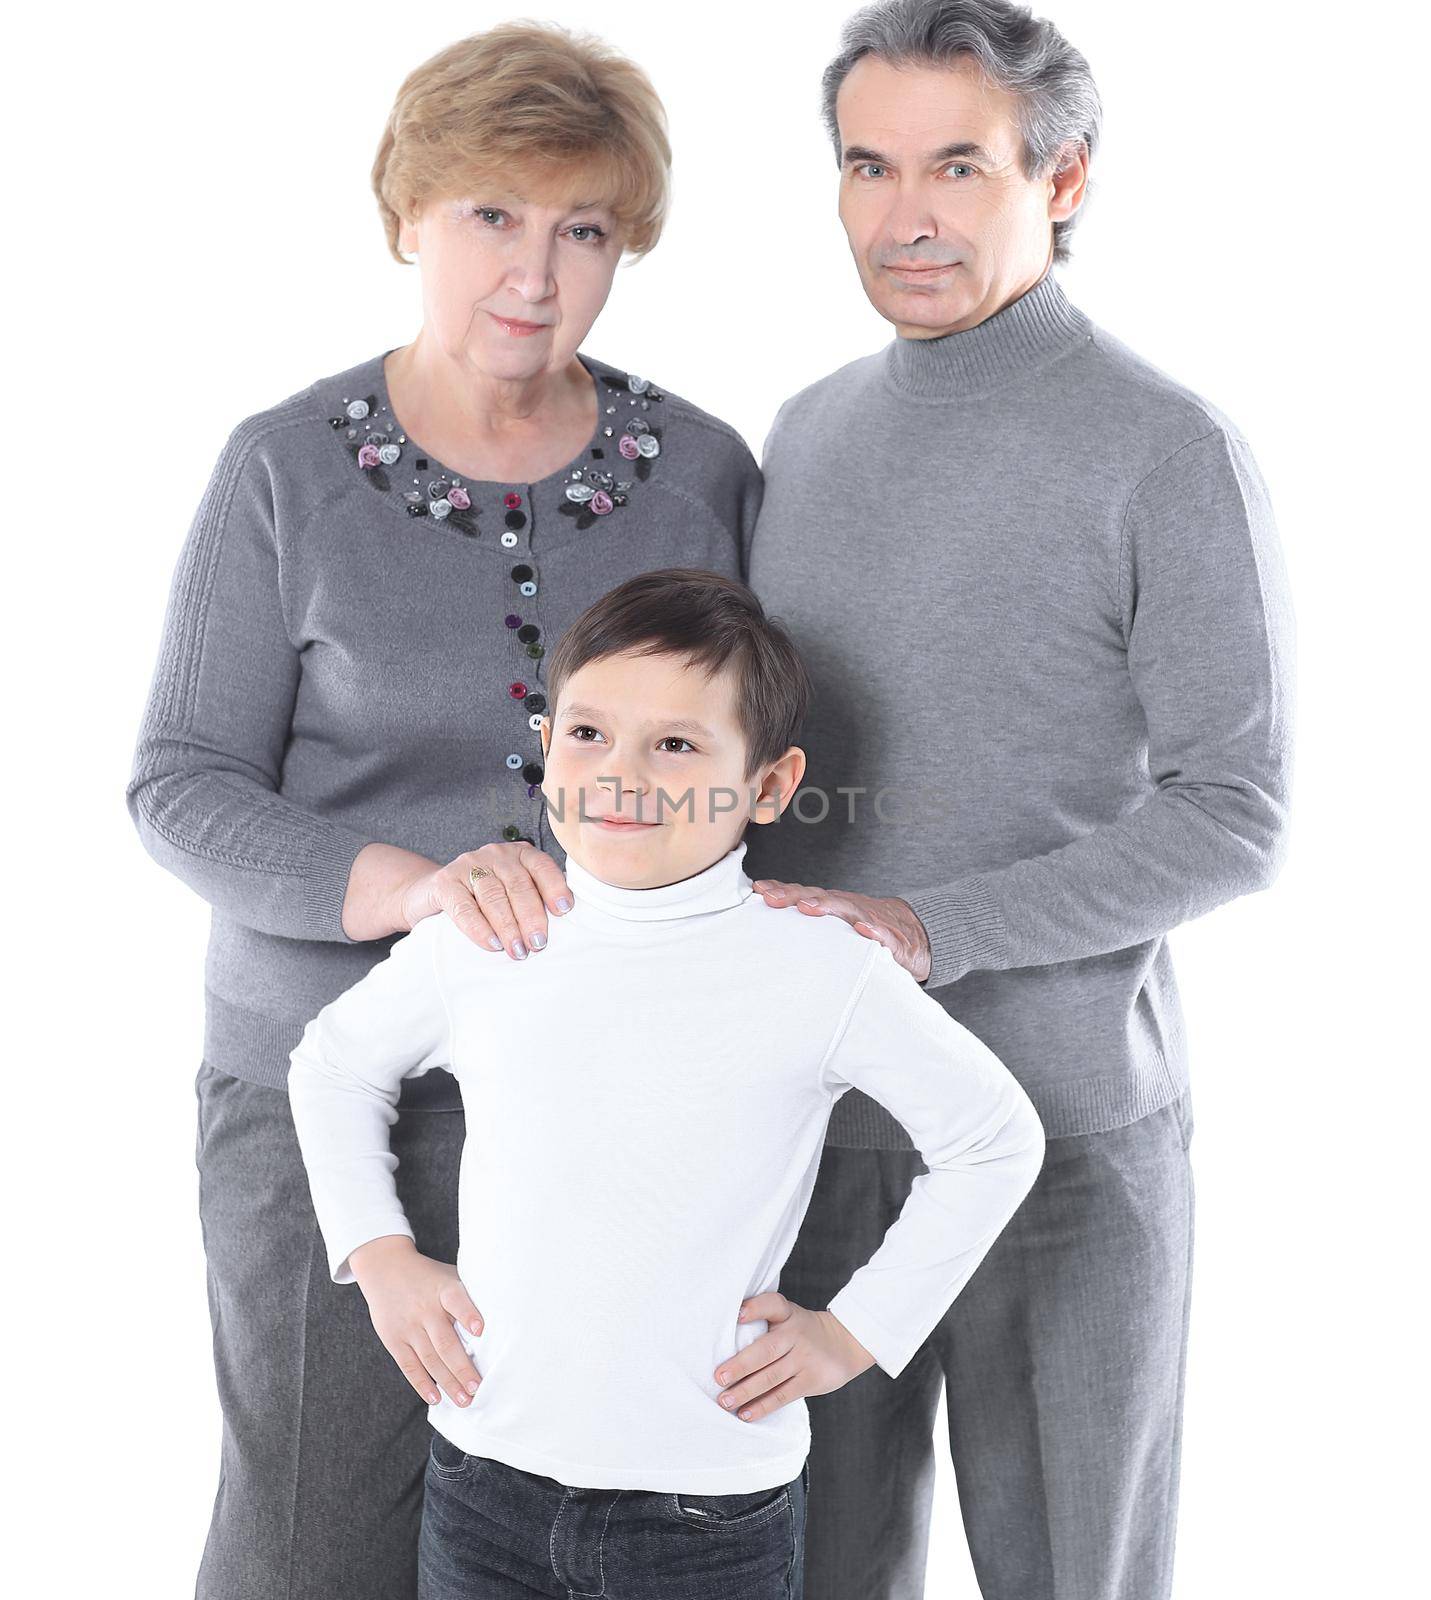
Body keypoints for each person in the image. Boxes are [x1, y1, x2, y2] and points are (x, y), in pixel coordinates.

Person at [460, 3, 1297, 1597]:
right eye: (867, 164)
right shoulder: (811, 434)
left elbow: (1236, 812)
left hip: (1057, 1135)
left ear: (1059, 181)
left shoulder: (1166, 450)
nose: (905, 213)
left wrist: (921, 926)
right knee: (814, 1571)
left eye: (956, 166)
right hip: (810, 1140)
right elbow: (731, 758)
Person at [123, 23, 764, 1599]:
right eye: (491, 214)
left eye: (584, 230)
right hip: (326, 1099)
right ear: (406, 214)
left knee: (583, 1539)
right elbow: (180, 786)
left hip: (615, 1109)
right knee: (312, 1538)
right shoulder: (283, 469)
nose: (533, 275)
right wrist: (411, 888)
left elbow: (747, 776)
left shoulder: (699, 471)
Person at [285, 568, 1047, 1600]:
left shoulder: (819, 965)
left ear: (770, 786)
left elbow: (993, 1137)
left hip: (707, 1514)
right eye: (589, 735)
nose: (621, 776)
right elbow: (333, 1064)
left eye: (677, 745)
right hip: (484, 1487)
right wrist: (377, 1253)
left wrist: (858, 1331)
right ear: (546, 748)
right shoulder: (488, 933)